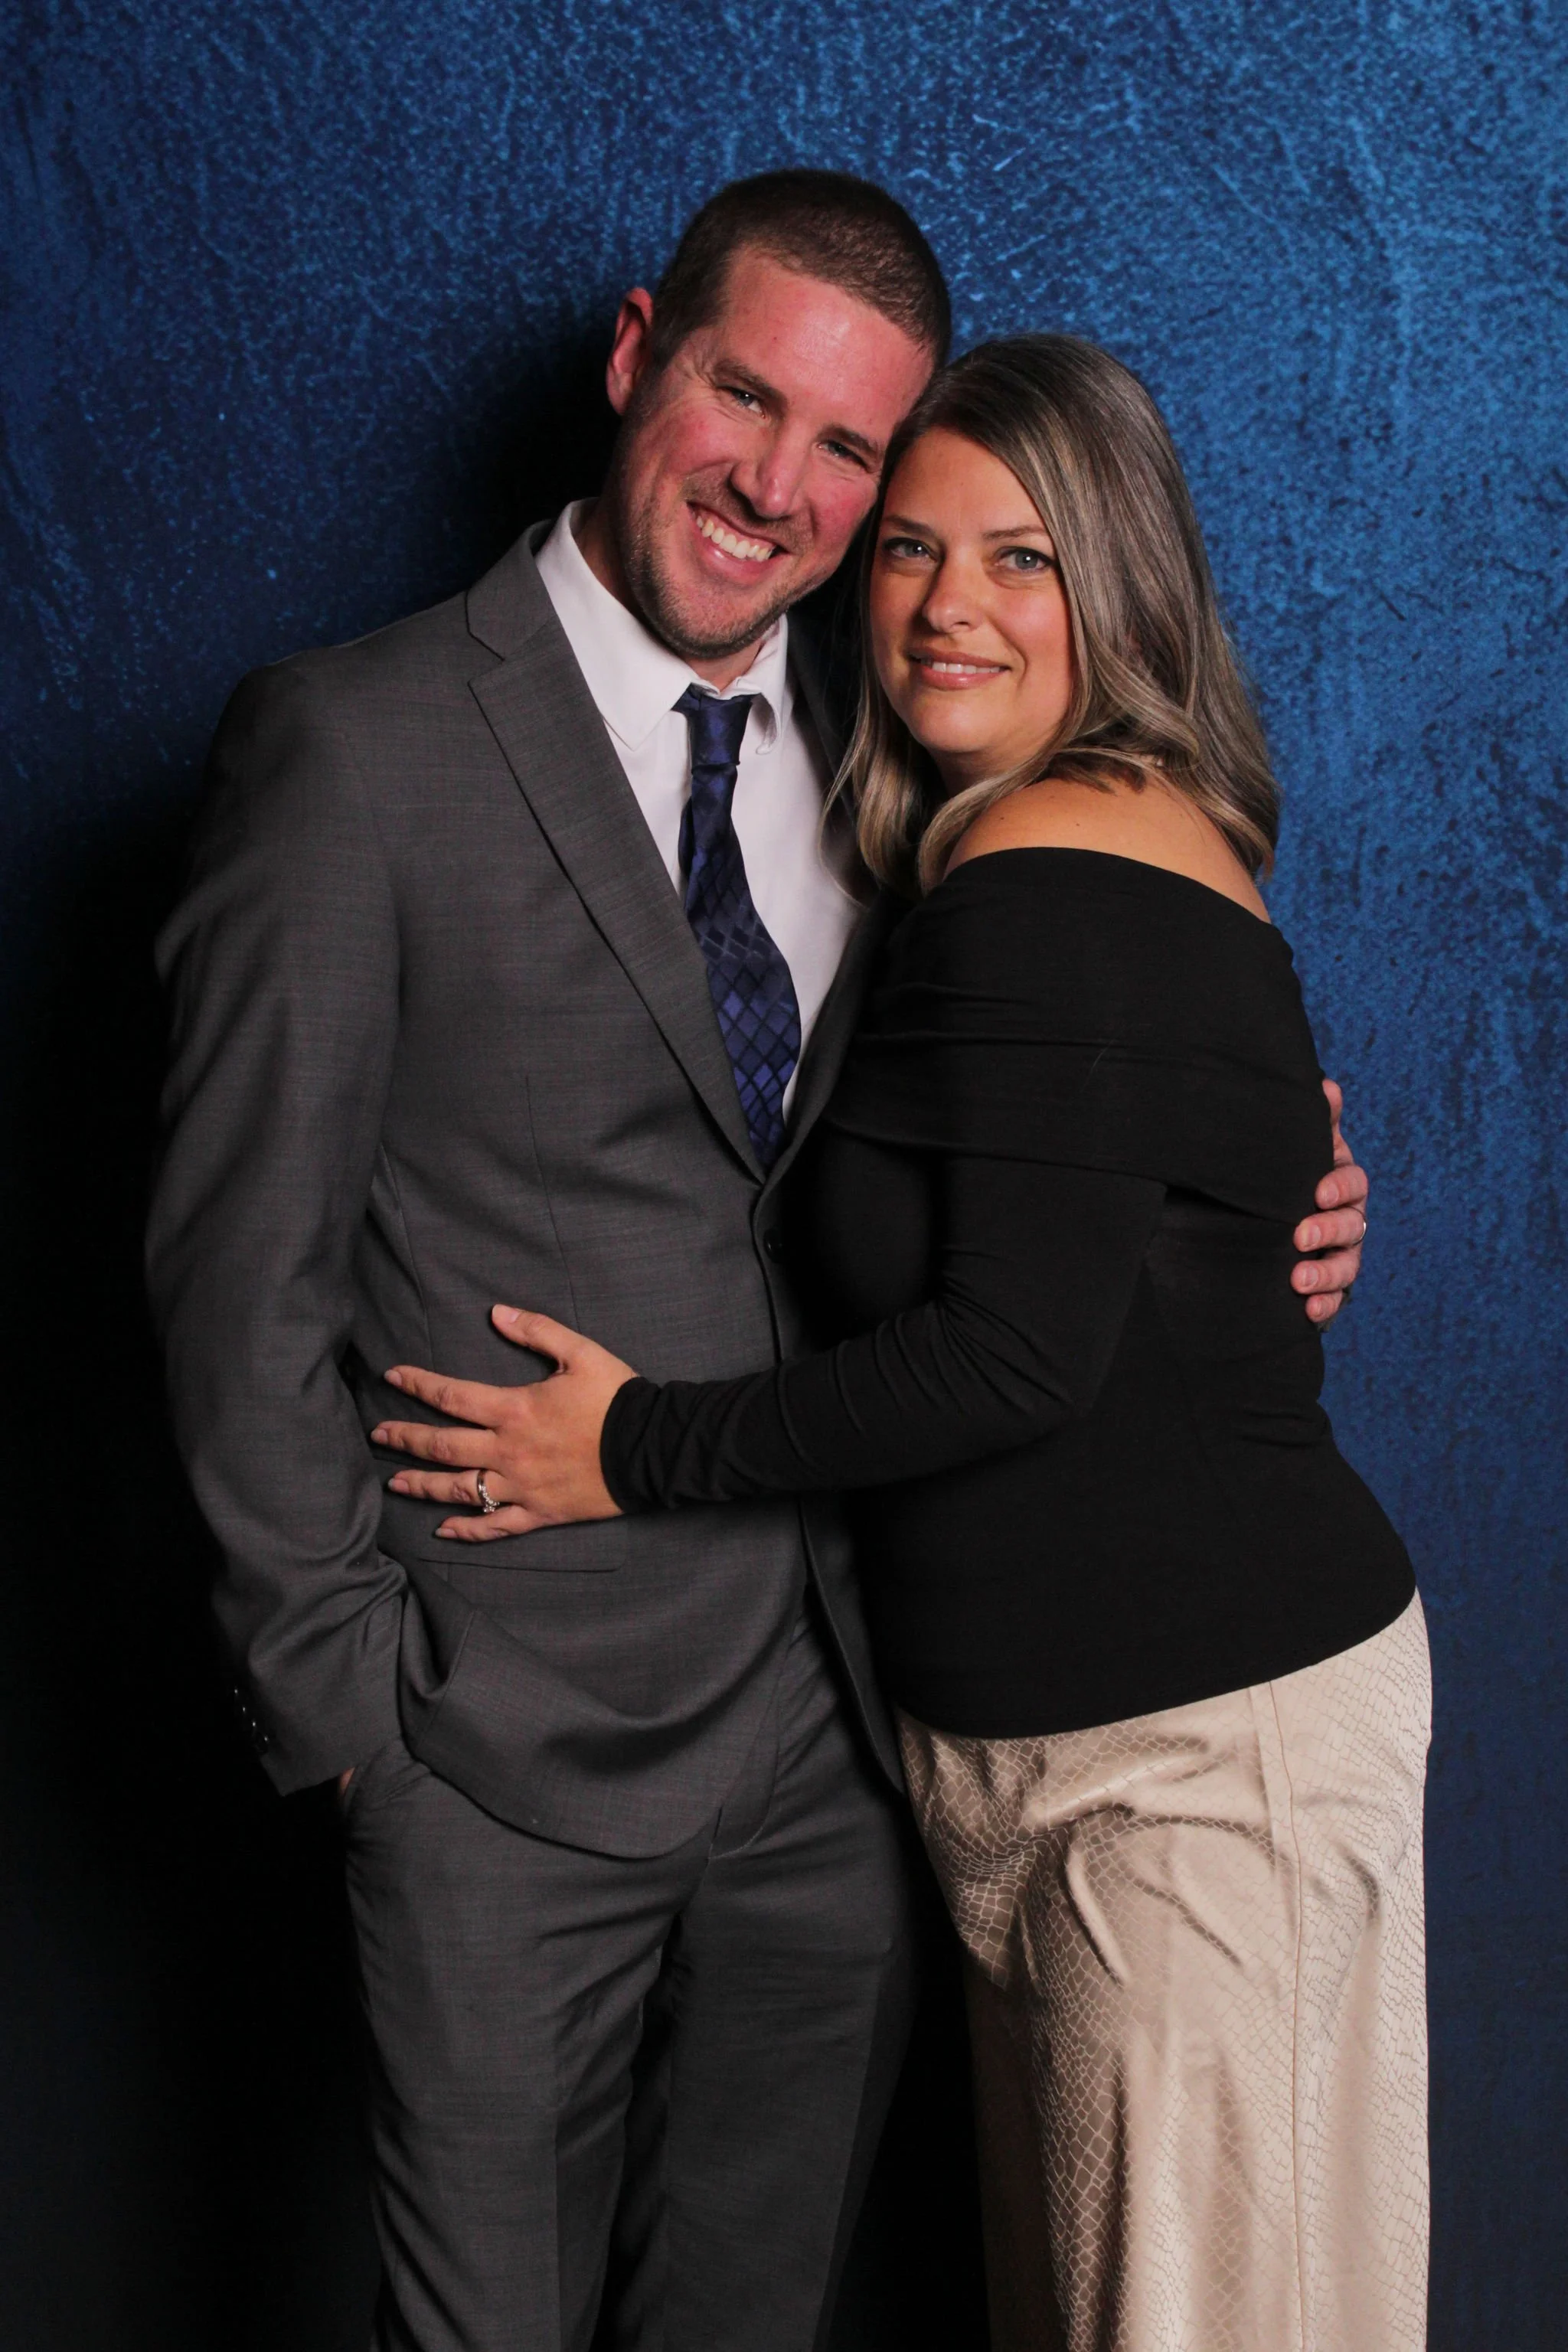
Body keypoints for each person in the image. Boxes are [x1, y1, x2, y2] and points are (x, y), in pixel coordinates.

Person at [149, 165, 1368, 2352]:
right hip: (489, 1759)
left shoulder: (914, 758)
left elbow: (1051, 1083)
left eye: (851, 453)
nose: (782, 488)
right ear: (637, 357)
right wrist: (358, 1732)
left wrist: (1267, 1187)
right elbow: (238, 1281)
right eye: (743, 397)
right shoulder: (353, 748)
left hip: (841, 1741)